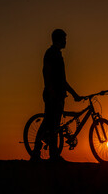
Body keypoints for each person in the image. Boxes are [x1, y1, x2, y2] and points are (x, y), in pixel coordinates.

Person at [31, 29, 82, 162]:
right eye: (64, 39)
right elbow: (46, 72)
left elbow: (62, 80)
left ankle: (52, 155)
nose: (66, 42)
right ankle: (38, 153)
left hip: (59, 95)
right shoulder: (51, 54)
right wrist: (51, 91)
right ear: (59, 39)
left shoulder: (57, 55)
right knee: (49, 123)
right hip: (52, 94)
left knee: (54, 125)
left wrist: (74, 93)